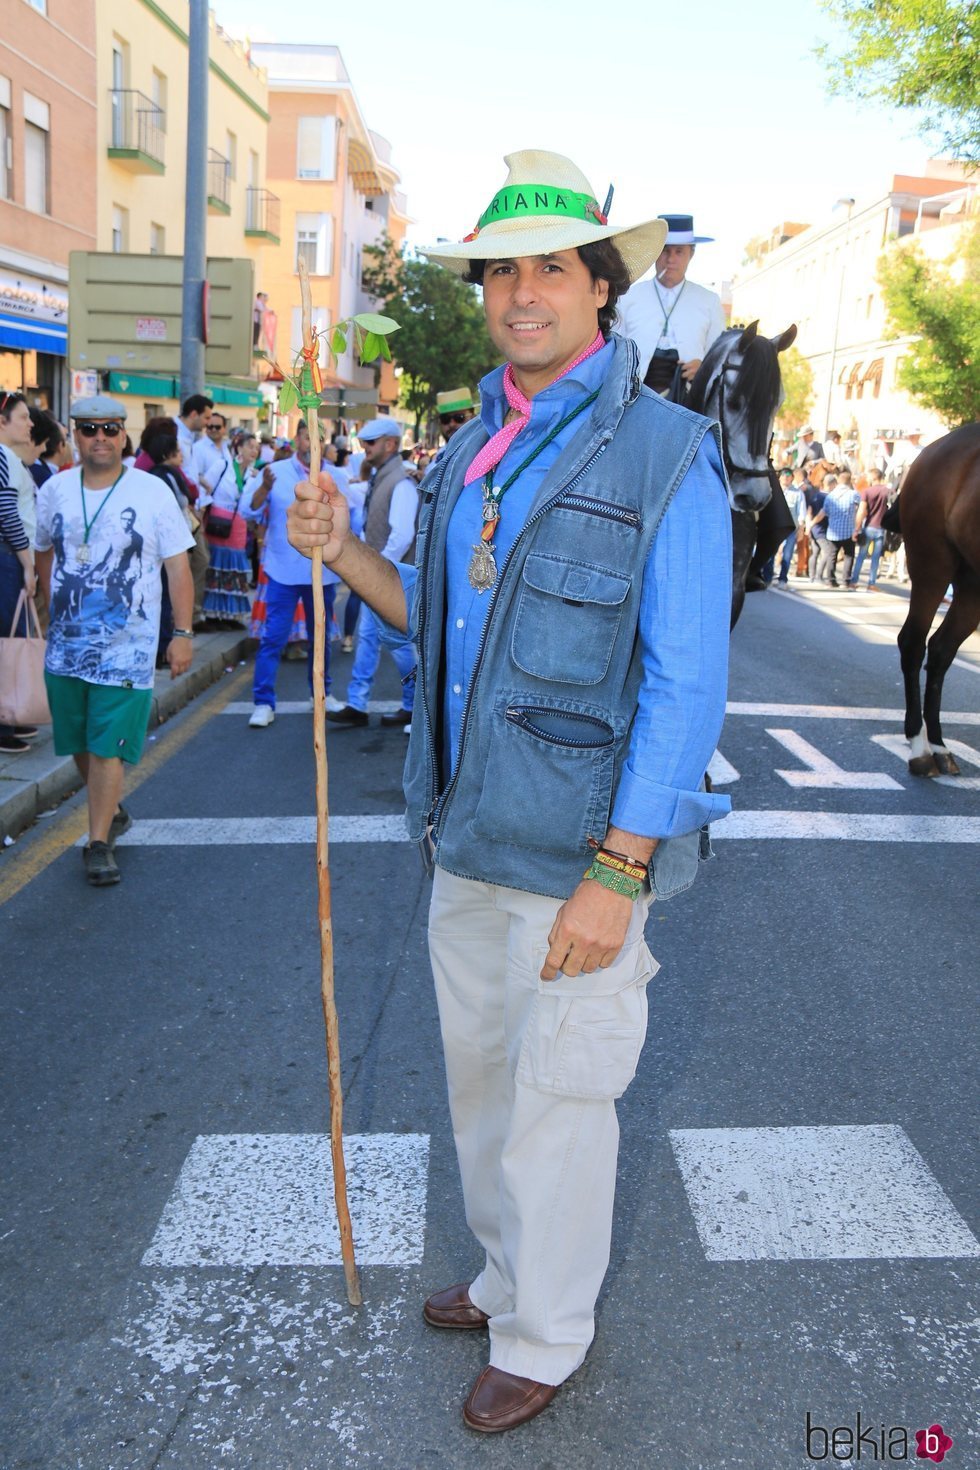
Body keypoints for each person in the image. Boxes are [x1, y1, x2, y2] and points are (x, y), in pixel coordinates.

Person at [287, 148, 732, 1434]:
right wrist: (345, 551)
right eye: (500, 269)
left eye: (551, 266)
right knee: (481, 1083)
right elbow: (439, 631)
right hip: (466, 831)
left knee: (559, 1103)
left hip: (579, 859)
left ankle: (545, 1332)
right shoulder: (473, 446)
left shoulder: (666, 457)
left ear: (601, 289)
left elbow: (684, 684)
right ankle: (501, 1276)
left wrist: (621, 868)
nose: (520, 291)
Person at [34, 395, 194, 886]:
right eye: (88, 429)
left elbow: (178, 568)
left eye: (109, 429)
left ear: (124, 436)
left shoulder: (150, 492)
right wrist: (51, 604)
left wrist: (183, 633)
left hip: (128, 648)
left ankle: (98, 843)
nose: (99, 437)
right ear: (74, 436)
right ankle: (112, 808)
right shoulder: (56, 489)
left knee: (107, 747)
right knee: (80, 742)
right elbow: (43, 551)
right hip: (66, 644)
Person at [240, 420, 339, 727]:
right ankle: (263, 702)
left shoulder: (335, 476)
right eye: (308, 436)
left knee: (319, 640)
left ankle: (321, 696)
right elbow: (248, 510)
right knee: (273, 638)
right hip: (283, 571)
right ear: (297, 439)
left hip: (322, 574)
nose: (312, 443)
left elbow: (353, 522)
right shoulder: (275, 472)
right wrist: (265, 489)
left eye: (319, 438)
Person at [326, 418, 419, 731]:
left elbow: (403, 535)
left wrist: (376, 570)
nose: (364, 448)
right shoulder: (384, 477)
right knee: (369, 639)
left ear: (390, 444)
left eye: (371, 443)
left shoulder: (401, 482)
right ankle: (358, 703)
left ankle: (414, 705)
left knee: (402, 645)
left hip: (391, 579)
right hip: (379, 577)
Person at [614, 213, 725, 393]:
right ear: (655, 252)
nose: (671, 259)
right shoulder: (627, 297)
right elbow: (611, 348)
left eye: (679, 251)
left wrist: (704, 367)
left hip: (689, 398)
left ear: (691, 254)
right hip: (634, 395)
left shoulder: (709, 301)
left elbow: (720, 357)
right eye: (665, 250)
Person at [0, 393, 40, 754]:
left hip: (8, 556)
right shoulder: (2, 457)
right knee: (6, 640)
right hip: (6, 557)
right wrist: (28, 564)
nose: (30, 424)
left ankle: (10, 716)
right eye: (23, 417)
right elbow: (7, 513)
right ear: (2, 421)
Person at [194, 413, 249, 624]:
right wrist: (204, 506)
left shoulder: (229, 455)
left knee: (232, 567)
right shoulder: (203, 450)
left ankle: (228, 614)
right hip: (217, 518)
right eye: (210, 426)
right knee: (216, 565)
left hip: (235, 522)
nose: (213, 430)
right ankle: (212, 614)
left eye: (217, 427)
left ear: (224, 429)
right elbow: (201, 481)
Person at [811, 473, 865, 588]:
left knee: (832, 555)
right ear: (849, 481)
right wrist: (857, 527)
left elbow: (823, 512)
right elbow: (860, 509)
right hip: (849, 530)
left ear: (838, 482)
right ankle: (845, 580)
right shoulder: (854, 494)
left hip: (833, 531)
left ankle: (831, 580)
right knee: (849, 555)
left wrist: (812, 523)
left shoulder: (830, 496)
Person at [849, 472, 889, 589]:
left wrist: (857, 529)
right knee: (875, 558)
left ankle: (854, 581)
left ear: (872, 478)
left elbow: (861, 511)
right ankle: (871, 583)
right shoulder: (886, 491)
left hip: (869, 526)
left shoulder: (867, 491)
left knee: (861, 555)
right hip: (881, 527)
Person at [774, 468, 807, 586]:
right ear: (780, 477)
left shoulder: (798, 493)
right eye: (783, 476)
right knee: (771, 552)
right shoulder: (774, 491)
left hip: (791, 527)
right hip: (775, 526)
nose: (786, 478)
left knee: (787, 554)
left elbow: (801, 513)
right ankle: (767, 576)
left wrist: (801, 529)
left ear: (792, 478)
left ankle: (783, 578)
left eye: (788, 476)